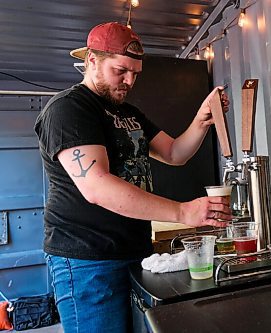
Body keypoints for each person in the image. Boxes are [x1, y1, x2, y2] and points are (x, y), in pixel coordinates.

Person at [34, 22, 231, 332]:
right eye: (120, 71)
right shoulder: (69, 109)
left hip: (136, 251)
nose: (129, 81)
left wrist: (202, 120)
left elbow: (174, 153)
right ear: (92, 61)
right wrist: (183, 211)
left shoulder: (129, 113)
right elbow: (96, 187)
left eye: (135, 74)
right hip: (89, 260)